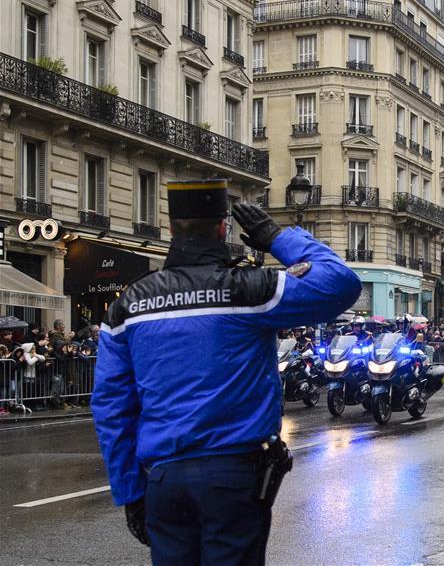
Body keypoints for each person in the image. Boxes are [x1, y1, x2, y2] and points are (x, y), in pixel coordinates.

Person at [91, 179, 361, 565]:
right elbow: (340, 284)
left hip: (164, 479)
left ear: (170, 227)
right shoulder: (249, 289)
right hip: (232, 474)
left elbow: (111, 408)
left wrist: (131, 493)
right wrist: (275, 237)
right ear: (223, 227)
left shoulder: (129, 304)